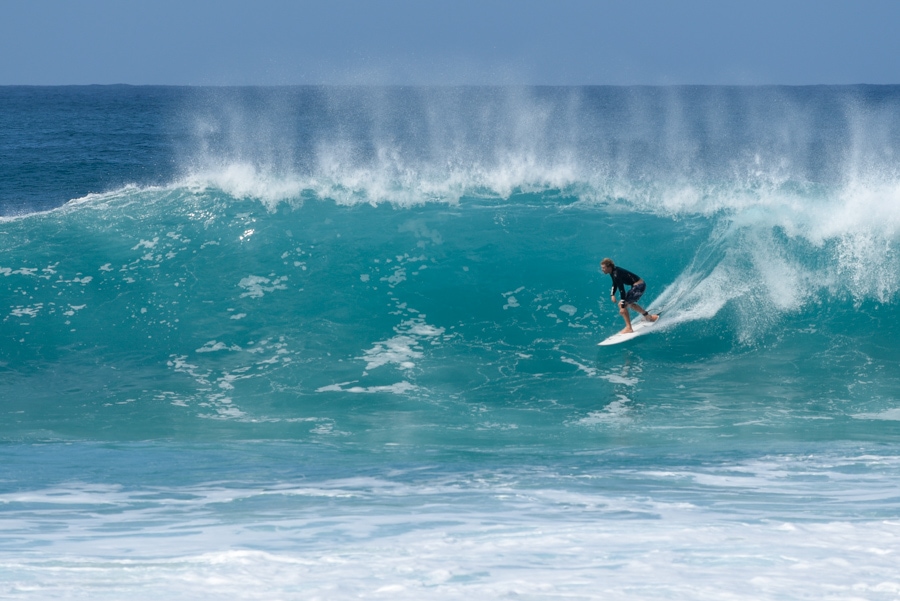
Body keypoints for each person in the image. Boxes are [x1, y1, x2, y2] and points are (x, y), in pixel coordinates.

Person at [600, 258, 658, 334]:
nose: (602, 269)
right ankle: (648, 317)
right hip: (638, 285)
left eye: (604, 268)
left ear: (609, 267)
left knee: (622, 304)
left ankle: (629, 328)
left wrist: (623, 306)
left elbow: (622, 290)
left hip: (639, 287)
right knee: (630, 304)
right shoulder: (613, 272)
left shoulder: (616, 273)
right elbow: (615, 283)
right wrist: (612, 294)